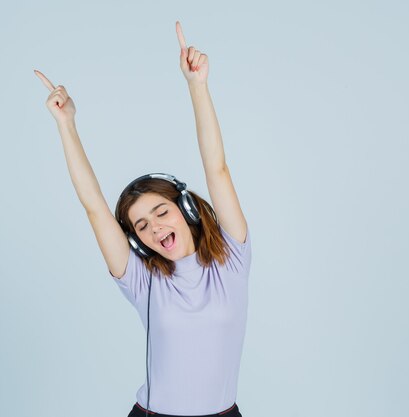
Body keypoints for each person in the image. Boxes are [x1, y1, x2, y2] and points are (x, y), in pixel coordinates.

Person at [35, 21, 250, 417]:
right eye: (141, 226)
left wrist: (197, 86)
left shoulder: (231, 258)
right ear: (135, 240)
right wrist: (66, 125)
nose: (154, 228)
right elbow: (94, 207)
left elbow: (216, 167)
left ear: (186, 210)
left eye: (161, 212)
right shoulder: (143, 280)